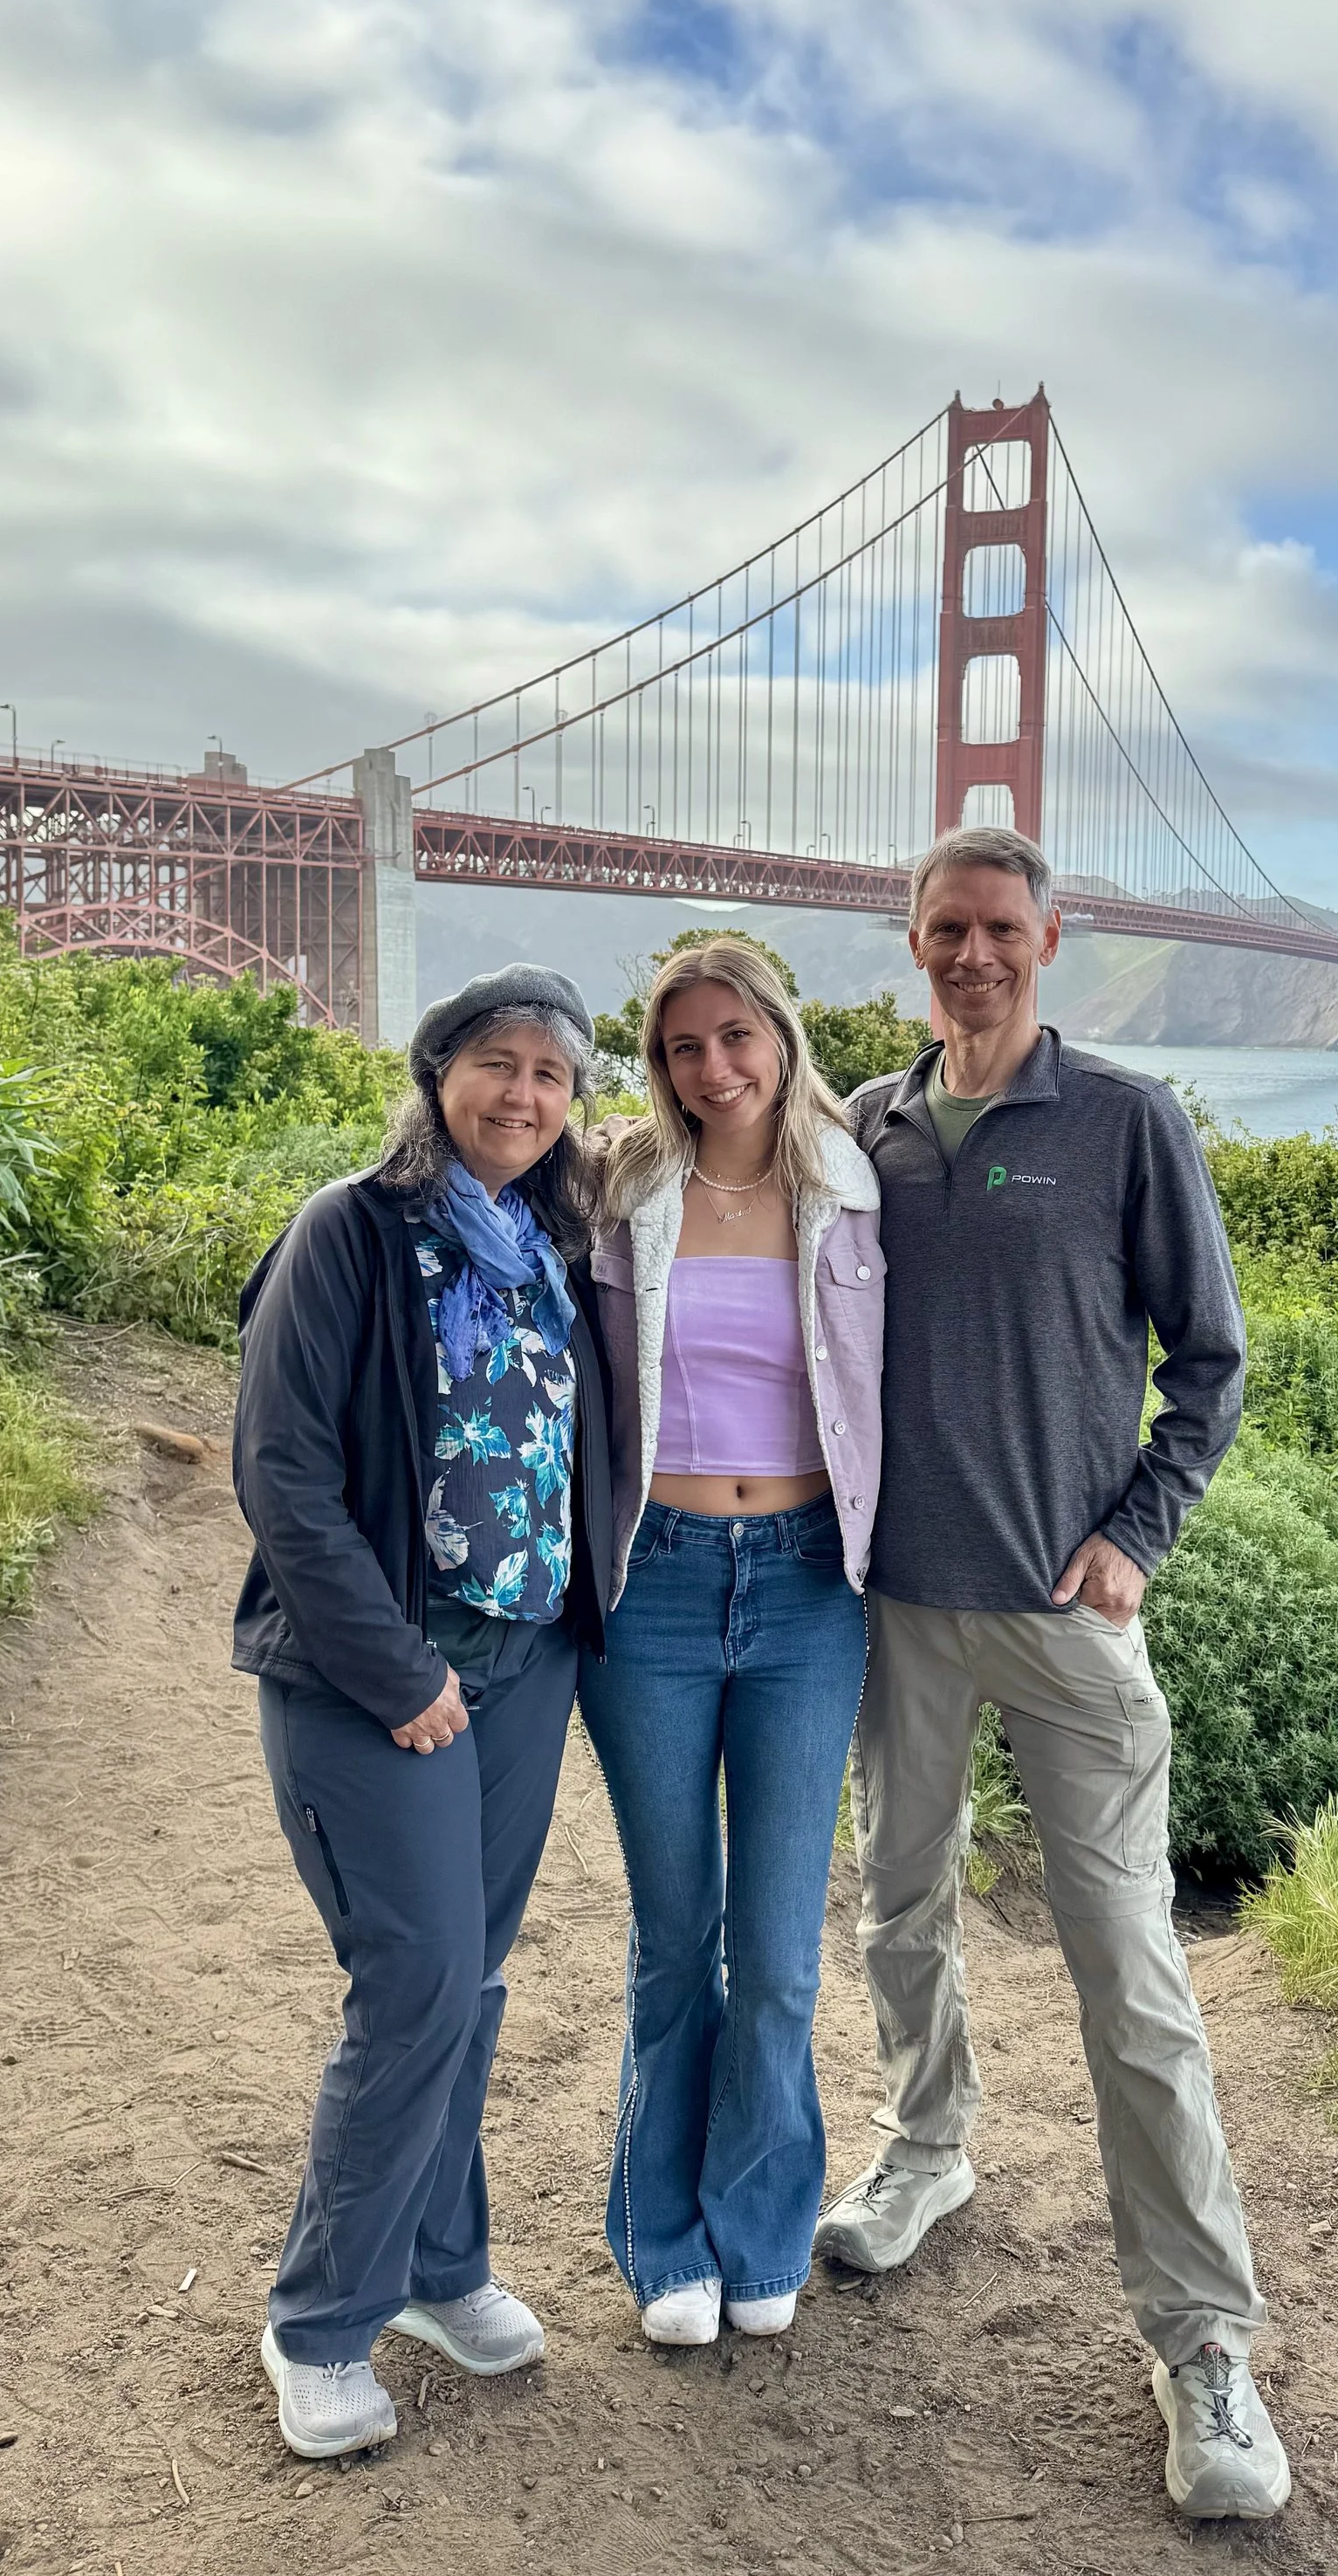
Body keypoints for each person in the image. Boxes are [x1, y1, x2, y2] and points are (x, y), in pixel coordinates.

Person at [814, 827, 1290, 2523]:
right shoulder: (859, 1130)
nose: (971, 954)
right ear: (912, 940)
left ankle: (1201, 2342)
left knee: (1128, 1975)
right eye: (943, 928)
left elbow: (1209, 1360)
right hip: (896, 1611)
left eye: (999, 929)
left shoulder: (1125, 1122)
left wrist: (1135, 1537)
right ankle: (926, 2146)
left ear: (1048, 939)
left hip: (1063, 1614)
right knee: (896, 1905)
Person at [231, 966, 614, 2463]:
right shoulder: (350, 1231)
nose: (524, 1097)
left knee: (474, 1983)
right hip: (374, 1672)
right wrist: (401, 1674)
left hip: (527, 1663)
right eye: (497, 1065)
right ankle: (320, 2320)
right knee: (418, 1987)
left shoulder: (551, 1242)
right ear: (438, 1071)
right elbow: (284, 1475)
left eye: (554, 1076)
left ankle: (441, 2270)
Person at [586, 938, 882, 2347]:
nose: (714, 1069)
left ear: (782, 1033)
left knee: (775, 1948)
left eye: (735, 1036)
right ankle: (662, 2237)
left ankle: (759, 2223)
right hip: (652, 1582)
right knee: (674, 1935)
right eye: (683, 1048)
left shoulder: (857, 1186)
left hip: (810, 1585)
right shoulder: (621, 1183)